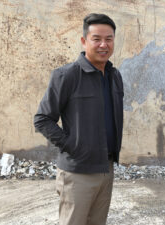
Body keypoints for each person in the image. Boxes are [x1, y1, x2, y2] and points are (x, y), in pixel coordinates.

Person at [34, 13, 124, 225]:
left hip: (106, 168)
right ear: (84, 41)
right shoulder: (67, 75)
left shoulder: (114, 76)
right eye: (97, 39)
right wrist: (73, 146)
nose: (104, 44)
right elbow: (42, 118)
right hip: (78, 173)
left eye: (109, 39)